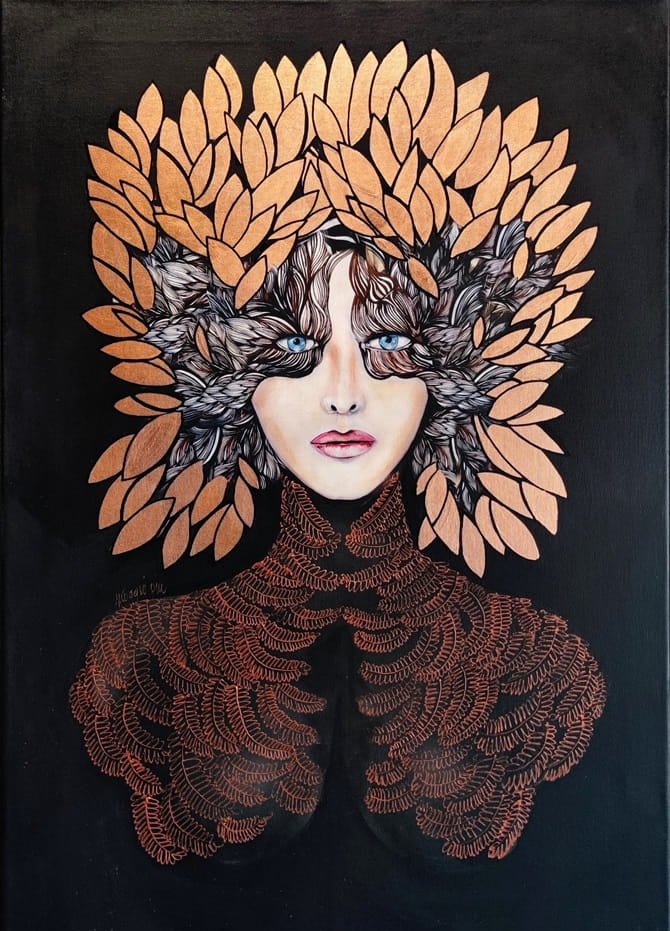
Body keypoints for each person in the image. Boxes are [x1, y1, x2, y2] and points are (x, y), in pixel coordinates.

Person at [69, 44, 606, 864]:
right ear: (213, 360)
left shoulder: (539, 666)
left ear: (460, 358)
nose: (344, 394)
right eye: (293, 346)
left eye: (390, 342)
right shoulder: (141, 663)